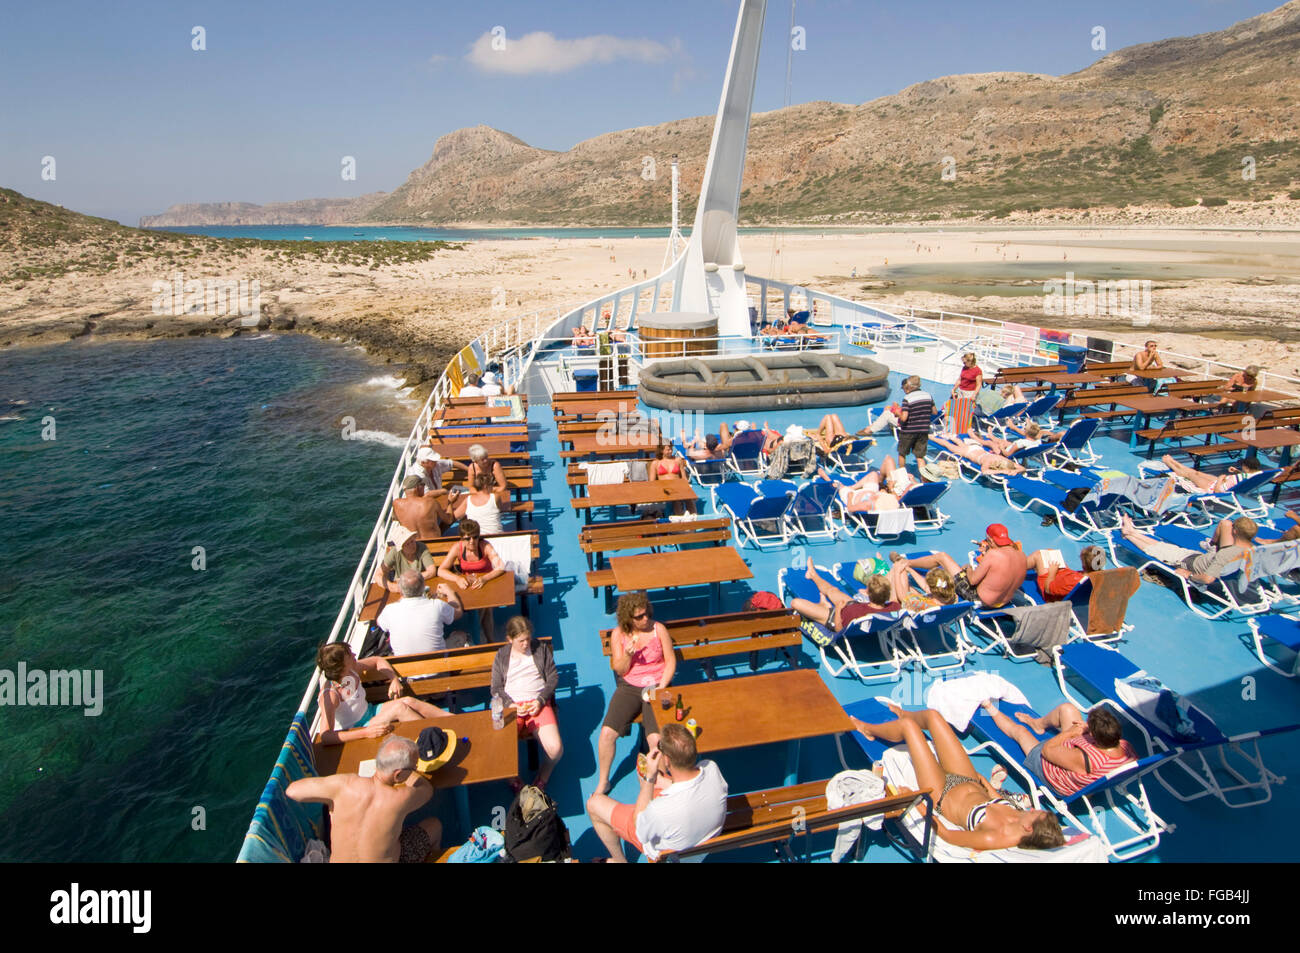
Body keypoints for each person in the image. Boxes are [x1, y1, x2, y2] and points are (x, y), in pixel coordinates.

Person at [850, 705, 1064, 851]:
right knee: (934, 716)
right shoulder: (1020, 817)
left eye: (1036, 814)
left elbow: (948, 834)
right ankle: (905, 713)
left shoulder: (995, 837)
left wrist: (918, 805)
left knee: (909, 729)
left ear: (1029, 829)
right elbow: (994, 798)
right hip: (968, 779)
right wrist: (985, 783)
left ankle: (869, 729)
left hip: (940, 792)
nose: (1033, 809)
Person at [586, 722, 728, 862]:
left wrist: (649, 779)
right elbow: (690, 783)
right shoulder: (712, 769)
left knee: (593, 804)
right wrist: (663, 782)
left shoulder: (660, 810)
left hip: (668, 855)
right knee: (657, 785)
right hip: (701, 845)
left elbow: (639, 827)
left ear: (666, 760)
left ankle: (619, 860)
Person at [286, 734, 441, 863]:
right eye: (414, 767)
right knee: (434, 825)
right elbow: (427, 790)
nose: (415, 769)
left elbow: (292, 791)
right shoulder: (401, 798)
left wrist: (331, 797)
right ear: (398, 774)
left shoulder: (343, 785)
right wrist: (411, 773)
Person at [594, 592, 676, 795]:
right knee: (606, 735)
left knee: (655, 740)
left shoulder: (659, 629)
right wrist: (629, 653)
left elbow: (671, 661)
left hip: (656, 685)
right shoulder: (619, 634)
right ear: (628, 618)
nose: (645, 619)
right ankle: (604, 781)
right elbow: (620, 669)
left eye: (646, 614)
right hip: (630, 686)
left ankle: (664, 784)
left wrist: (662, 686)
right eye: (639, 617)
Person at [980, 700, 1137, 798]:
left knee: (1020, 732)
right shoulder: (1125, 746)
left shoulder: (1086, 759)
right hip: (1083, 764)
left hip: (1052, 772)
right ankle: (1038, 724)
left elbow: (1047, 750)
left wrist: (1070, 733)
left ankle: (988, 706)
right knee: (1067, 709)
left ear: (1096, 737)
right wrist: (1086, 731)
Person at [314, 642, 448, 745]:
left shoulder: (351, 670)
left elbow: (378, 660)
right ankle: (432, 738)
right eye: (350, 655)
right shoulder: (330, 695)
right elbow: (326, 736)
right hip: (358, 728)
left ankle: (450, 718)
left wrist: (393, 679)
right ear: (341, 665)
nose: (355, 655)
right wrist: (365, 733)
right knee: (400, 708)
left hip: (371, 712)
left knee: (408, 701)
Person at [490, 616, 563, 789]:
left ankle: (541, 779)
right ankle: (514, 780)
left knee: (555, 749)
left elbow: (552, 678)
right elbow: (496, 687)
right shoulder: (502, 656)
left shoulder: (540, 650)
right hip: (513, 707)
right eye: (521, 641)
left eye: (528, 639)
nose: (526, 644)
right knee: (500, 748)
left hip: (537, 704)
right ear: (510, 639)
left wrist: (540, 700)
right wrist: (510, 704)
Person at [890, 523, 1028, 608]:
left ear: (991, 540)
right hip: (1003, 602)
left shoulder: (993, 555)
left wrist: (968, 568)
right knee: (960, 568)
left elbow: (973, 580)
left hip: (980, 600)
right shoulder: (1021, 554)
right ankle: (907, 564)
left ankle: (905, 562)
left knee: (942, 557)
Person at [1118, 514, 1256, 583]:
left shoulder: (1226, 554)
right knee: (1164, 547)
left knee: (1155, 550)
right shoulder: (1253, 550)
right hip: (1198, 557)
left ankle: (1128, 534)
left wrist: (1188, 574)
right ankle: (1132, 531)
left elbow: (1208, 579)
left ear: (1236, 532)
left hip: (1189, 563)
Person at [436, 519, 508, 641]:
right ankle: (484, 639)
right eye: (467, 538)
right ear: (461, 539)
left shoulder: (484, 546)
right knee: (484, 608)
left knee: (487, 607)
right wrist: (457, 578)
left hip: (486, 584)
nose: (472, 541)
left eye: (475, 537)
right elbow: (441, 570)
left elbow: (500, 566)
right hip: (469, 586)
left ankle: (478, 638)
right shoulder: (457, 549)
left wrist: (484, 578)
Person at [376, 570, 466, 655]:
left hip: (404, 668)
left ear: (400, 590)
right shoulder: (437, 605)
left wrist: (401, 599)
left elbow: (379, 623)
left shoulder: (390, 610)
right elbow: (458, 612)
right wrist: (450, 592)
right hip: (436, 668)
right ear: (423, 587)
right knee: (460, 635)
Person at [789, 563, 901, 631]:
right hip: (854, 605)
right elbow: (894, 597)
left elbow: (839, 628)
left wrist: (838, 609)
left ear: (867, 593)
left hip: (833, 617)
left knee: (795, 603)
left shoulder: (857, 613)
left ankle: (823, 604)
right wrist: (895, 570)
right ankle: (813, 574)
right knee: (833, 590)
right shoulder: (894, 607)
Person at [819, 458, 916, 513]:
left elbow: (850, 509)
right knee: (873, 474)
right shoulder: (893, 502)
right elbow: (903, 494)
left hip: (854, 496)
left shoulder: (868, 504)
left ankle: (825, 477)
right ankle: (853, 486)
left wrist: (850, 497)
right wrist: (911, 482)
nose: (882, 491)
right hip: (870, 492)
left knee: (839, 485)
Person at [1025, 546, 1107, 601]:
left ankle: (1016, 565)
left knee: (1038, 555)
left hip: (1051, 594)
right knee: (1050, 552)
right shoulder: (1102, 577)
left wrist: (1052, 572)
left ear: (1084, 565)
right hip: (1065, 581)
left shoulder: (1072, 582)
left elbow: (1048, 589)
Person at [375, 523, 438, 594]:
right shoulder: (394, 552)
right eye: (407, 544)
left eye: (412, 541)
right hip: (402, 590)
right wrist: (392, 587)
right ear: (401, 547)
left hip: (420, 586)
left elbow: (432, 571)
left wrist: (407, 580)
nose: (412, 545)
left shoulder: (421, 547)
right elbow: (378, 574)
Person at [929, 433, 1030, 475]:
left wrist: (1012, 470)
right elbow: (985, 471)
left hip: (976, 448)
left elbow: (1022, 468)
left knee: (959, 443)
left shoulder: (1002, 459)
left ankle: (953, 437)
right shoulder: (989, 462)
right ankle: (931, 437)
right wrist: (1005, 471)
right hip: (968, 452)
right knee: (946, 444)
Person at [1159, 454, 1260, 495]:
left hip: (1213, 487)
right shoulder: (1256, 475)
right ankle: (1173, 462)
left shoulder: (1243, 477)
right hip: (1219, 482)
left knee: (1190, 475)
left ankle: (1170, 462)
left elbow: (1217, 491)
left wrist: (1220, 478)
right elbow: (1243, 477)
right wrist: (1237, 472)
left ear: (1246, 467)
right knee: (1196, 473)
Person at [392, 474, 452, 539]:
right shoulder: (431, 502)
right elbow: (448, 520)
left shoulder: (396, 504)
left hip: (413, 545)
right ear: (417, 487)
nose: (424, 487)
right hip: (433, 543)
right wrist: (450, 502)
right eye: (423, 485)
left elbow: (395, 518)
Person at [885, 561, 959, 613]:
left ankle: (880, 587)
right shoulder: (952, 598)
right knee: (903, 572)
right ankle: (891, 572)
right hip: (917, 598)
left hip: (905, 605)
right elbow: (926, 587)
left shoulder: (925, 605)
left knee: (897, 574)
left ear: (932, 590)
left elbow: (903, 598)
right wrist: (910, 569)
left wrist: (897, 573)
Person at [896, 375, 935, 465]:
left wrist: (898, 414)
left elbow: (904, 418)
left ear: (909, 386)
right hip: (923, 430)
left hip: (908, 431)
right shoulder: (928, 395)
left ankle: (902, 476)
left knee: (902, 454)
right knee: (919, 456)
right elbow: (934, 412)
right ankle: (923, 477)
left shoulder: (907, 398)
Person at [650, 443, 696, 516]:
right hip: (664, 487)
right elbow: (652, 482)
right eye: (668, 450)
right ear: (661, 450)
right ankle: (679, 517)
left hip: (678, 485)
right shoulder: (655, 463)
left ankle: (694, 517)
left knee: (689, 497)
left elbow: (684, 477)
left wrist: (687, 488)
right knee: (676, 499)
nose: (670, 451)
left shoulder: (678, 460)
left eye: (671, 449)